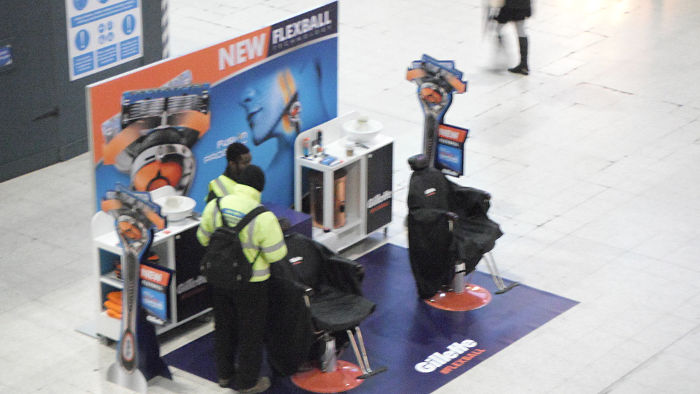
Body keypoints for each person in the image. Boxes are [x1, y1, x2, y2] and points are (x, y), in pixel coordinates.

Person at [197, 164, 287, 393]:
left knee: (224, 326)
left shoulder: (215, 205)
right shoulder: (263, 216)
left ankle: (224, 375)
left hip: (219, 279)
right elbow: (276, 254)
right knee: (251, 333)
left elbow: (203, 238)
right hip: (252, 284)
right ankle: (248, 382)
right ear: (260, 188)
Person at [495, 0, 532, 75]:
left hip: (510, 6)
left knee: (498, 29)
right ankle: (523, 64)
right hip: (523, 5)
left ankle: (504, 58)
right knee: (521, 30)